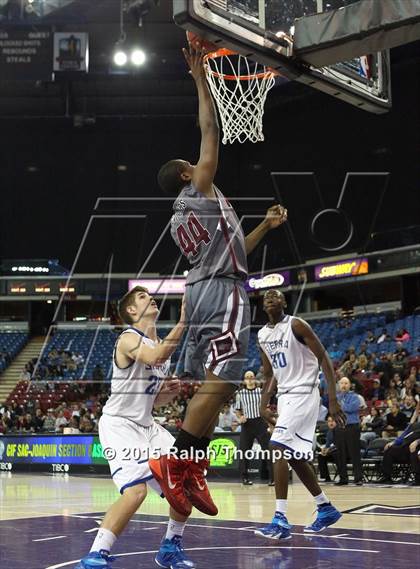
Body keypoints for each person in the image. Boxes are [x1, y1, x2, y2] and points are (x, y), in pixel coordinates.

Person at [150, 44, 287, 517]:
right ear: (187, 173)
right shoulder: (199, 187)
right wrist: (199, 78)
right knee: (225, 378)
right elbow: (210, 130)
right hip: (222, 291)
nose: (200, 161)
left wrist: (266, 227)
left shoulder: (178, 218)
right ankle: (176, 460)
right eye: (194, 162)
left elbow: (234, 253)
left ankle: (190, 467)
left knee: (220, 381)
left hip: (205, 287)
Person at [75, 286, 195, 569]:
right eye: (142, 297)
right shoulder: (128, 337)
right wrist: (184, 322)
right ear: (131, 311)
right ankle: (95, 554)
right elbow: (154, 358)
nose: (150, 298)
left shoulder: (159, 343)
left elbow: (152, 399)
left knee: (186, 483)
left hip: (147, 425)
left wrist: (168, 392)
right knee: (136, 492)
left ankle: (170, 546)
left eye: (149, 296)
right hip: (120, 426)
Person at [254, 289, 345, 539]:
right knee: (293, 456)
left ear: (284, 302)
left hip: (304, 392)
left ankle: (280, 519)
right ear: (263, 306)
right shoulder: (262, 334)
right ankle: (325, 507)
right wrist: (264, 403)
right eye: (266, 298)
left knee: (277, 447)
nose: (271, 299)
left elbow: (324, 359)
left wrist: (333, 398)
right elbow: (269, 373)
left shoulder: (296, 324)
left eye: (276, 296)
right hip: (285, 397)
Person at [235, 370, 273, 485]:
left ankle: (273, 478)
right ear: (244, 380)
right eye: (247, 377)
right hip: (247, 424)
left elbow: (266, 409)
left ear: (255, 378)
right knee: (244, 451)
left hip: (260, 422)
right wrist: (240, 418)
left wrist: (270, 424)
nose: (250, 379)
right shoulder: (240, 394)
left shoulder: (260, 392)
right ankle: (244, 478)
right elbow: (238, 411)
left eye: (252, 376)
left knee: (267, 450)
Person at [377, 402, 420, 484]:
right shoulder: (413, 425)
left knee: (414, 449)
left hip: (416, 447)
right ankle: (386, 477)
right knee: (389, 449)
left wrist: (417, 441)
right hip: (405, 447)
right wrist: (393, 442)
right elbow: (403, 436)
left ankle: (418, 479)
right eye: (418, 410)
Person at [335, 377, 363, 486]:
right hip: (340, 427)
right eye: (342, 383)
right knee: (340, 453)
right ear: (339, 385)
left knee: (354, 453)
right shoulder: (336, 397)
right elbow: (333, 409)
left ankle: (358, 478)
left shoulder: (355, 397)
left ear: (350, 385)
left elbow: (351, 408)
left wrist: (340, 405)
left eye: (346, 383)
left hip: (352, 427)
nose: (344, 385)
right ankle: (343, 478)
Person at [317, 416, 337, 482]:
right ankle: (326, 477)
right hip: (332, 452)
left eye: (332, 421)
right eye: (329, 421)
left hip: (340, 453)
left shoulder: (339, 431)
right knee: (321, 456)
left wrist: (329, 449)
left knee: (334, 453)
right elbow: (327, 444)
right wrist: (324, 449)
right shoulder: (329, 432)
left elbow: (338, 444)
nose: (330, 423)